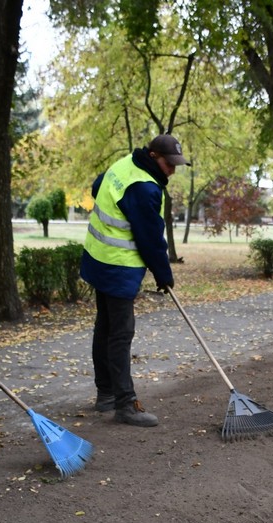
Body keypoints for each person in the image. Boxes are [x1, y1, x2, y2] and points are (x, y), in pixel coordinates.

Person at [80, 133, 188, 427]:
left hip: (98, 257)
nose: (172, 171)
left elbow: (97, 186)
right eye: (169, 164)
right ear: (154, 157)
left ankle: (105, 394)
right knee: (121, 333)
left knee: (105, 327)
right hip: (117, 266)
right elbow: (151, 238)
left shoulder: (125, 164)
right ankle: (125, 404)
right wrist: (164, 275)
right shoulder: (144, 187)